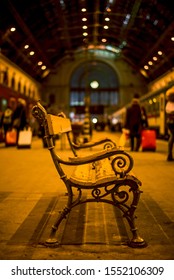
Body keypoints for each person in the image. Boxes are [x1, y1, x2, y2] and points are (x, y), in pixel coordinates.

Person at [165, 87, 174, 161]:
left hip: (169, 122)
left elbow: (168, 111)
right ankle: (169, 155)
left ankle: (169, 154)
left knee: (172, 137)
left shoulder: (168, 103)